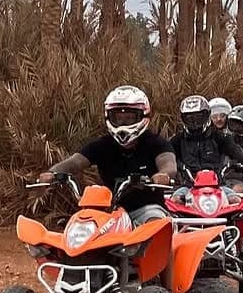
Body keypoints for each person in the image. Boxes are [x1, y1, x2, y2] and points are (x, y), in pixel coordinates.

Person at [38, 85, 176, 223]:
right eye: (118, 118)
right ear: (108, 117)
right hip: (110, 212)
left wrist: (163, 175)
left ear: (143, 116)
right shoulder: (102, 145)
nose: (123, 123)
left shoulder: (156, 142)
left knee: (154, 224)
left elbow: (168, 163)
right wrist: (52, 172)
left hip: (147, 208)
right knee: (83, 229)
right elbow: (75, 162)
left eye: (129, 118)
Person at [171, 94, 243, 179]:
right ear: (183, 119)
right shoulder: (177, 140)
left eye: (199, 117)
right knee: (178, 193)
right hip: (188, 186)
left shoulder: (221, 137)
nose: (195, 122)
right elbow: (164, 157)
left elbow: (237, 152)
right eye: (190, 118)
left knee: (232, 192)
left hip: (218, 185)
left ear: (207, 115)